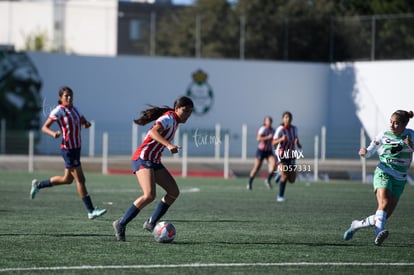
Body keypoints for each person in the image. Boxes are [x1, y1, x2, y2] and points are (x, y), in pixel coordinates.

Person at [113, 96, 193, 241]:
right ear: (176, 109)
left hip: (154, 161)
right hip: (143, 158)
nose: (187, 115)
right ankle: (121, 223)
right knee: (149, 195)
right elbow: (152, 132)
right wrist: (168, 145)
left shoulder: (174, 121)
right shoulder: (169, 117)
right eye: (185, 111)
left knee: (173, 192)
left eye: (190, 112)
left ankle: (151, 223)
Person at [30, 86, 107, 220]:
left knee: (67, 180)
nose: (69, 98)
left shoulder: (76, 109)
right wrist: (53, 133)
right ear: (61, 98)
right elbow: (44, 127)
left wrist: (86, 124)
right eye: (66, 96)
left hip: (76, 149)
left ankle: (38, 185)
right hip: (68, 149)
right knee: (81, 180)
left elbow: (83, 121)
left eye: (71, 95)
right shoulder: (58, 111)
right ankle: (91, 211)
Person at [343, 110, 414, 246]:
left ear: (404, 124)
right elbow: (370, 151)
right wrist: (365, 152)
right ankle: (378, 235)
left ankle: (356, 224)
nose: (392, 126)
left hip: (400, 178)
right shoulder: (383, 134)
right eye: (391, 122)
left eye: (396, 123)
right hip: (384, 171)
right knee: (384, 203)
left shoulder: (411, 135)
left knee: (384, 215)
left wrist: (412, 146)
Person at [272, 111, 302, 202]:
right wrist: (281, 139)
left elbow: (297, 141)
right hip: (281, 154)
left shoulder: (295, 129)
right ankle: (280, 196)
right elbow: (273, 143)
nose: (287, 119)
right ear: (283, 119)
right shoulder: (280, 129)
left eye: (289, 117)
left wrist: (298, 144)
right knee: (284, 176)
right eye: (285, 117)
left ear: (291, 119)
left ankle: (279, 173)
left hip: (291, 155)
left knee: (292, 180)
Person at [247, 116, 277, 190]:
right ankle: (249, 183)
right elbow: (258, 138)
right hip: (261, 151)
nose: (269, 122)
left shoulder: (273, 130)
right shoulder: (263, 129)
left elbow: (274, 140)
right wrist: (267, 137)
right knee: (257, 168)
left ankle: (267, 180)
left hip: (269, 151)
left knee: (274, 165)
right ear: (265, 122)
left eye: (270, 121)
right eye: (268, 121)